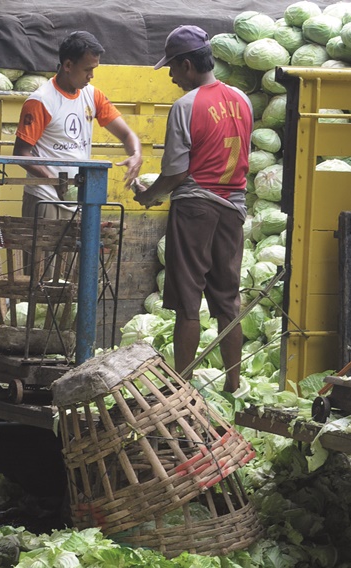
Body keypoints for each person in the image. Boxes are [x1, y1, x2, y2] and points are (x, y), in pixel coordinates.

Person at [134, 25, 253, 393]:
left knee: (188, 303)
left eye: (172, 67)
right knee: (227, 301)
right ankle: (233, 386)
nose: (170, 76)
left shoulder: (186, 106)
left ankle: (181, 391)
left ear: (187, 65)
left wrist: (148, 196)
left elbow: (176, 173)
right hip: (233, 209)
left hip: (195, 208)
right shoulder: (242, 99)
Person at [13, 31, 142, 221]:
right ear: (67, 65)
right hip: (46, 199)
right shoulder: (41, 101)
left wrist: (136, 155)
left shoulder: (93, 95)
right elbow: (21, 154)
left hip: (78, 201)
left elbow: (126, 135)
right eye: (87, 69)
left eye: (94, 69)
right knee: (43, 252)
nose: (91, 76)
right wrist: (56, 182)